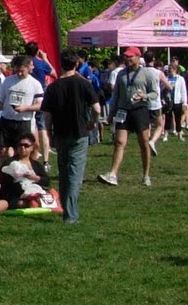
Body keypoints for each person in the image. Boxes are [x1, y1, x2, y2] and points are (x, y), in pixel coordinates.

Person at [42, 49, 103, 223]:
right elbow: (97, 109)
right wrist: (93, 123)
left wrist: (49, 133)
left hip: (60, 133)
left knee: (63, 172)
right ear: (76, 64)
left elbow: (47, 116)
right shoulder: (84, 84)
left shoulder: (53, 87)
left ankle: (66, 210)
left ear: (60, 64)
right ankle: (70, 214)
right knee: (75, 174)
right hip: (79, 133)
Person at [99, 47, 160, 187]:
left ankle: (146, 175)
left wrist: (144, 96)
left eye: (131, 57)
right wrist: (111, 114)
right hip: (123, 111)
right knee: (119, 142)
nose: (128, 59)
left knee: (144, 143)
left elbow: (154, 93)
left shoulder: (147, 73)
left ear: (138, 57)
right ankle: (113, 174)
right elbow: (116, 95)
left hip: (140, 110)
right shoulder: (121, 74)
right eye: (126, 57)